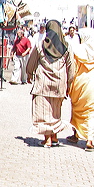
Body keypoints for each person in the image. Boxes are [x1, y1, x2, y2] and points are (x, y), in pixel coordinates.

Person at [26, 20, 75, 148]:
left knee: (43, 112)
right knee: (55, 112)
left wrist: (29, 73)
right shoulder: (67, 47)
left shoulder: (40, 45)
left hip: (43, 84)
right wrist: (69, 84)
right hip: (59, 84)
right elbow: (71, 68)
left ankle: (47, 139)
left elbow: (32, 62)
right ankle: (54, 137)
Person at [66, 28, 94, 152]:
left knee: (78, 110)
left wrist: (69, 84)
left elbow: (72, 68)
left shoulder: (78, 50)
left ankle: (76, 135)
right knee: (92, 112)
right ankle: (89, 140)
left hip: (80, 87)